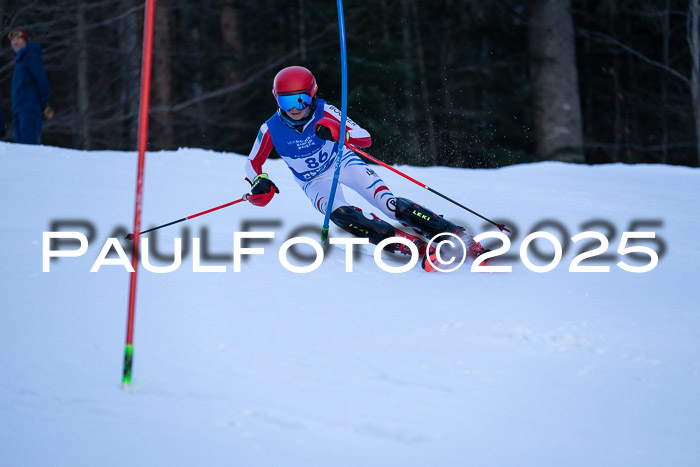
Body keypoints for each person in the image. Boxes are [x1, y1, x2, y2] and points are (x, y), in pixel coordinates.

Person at [244, 65, 486, 271]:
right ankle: (408, 244)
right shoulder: (270, 129)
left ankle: (457, 236)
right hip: (313, 181)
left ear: (313, 95)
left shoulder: (325, 111)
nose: (295, 108)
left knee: (390, 205)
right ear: (276, 99)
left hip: (344, 163)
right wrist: (259, 181)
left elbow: (364, 138)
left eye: (302, 99)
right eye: (286, 101)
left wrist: (341, 133)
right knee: (341, 215)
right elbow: (253, 162)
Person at [9, 28, 51, 145]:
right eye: (12, 40)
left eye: (18, 38)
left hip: (29, 109)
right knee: (20, 148)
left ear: (25, 41)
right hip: (19, 109)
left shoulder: (30, 56)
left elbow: (42, 81)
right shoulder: (20, 61)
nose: (15, 42)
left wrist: (43, 104)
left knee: (27, 147)